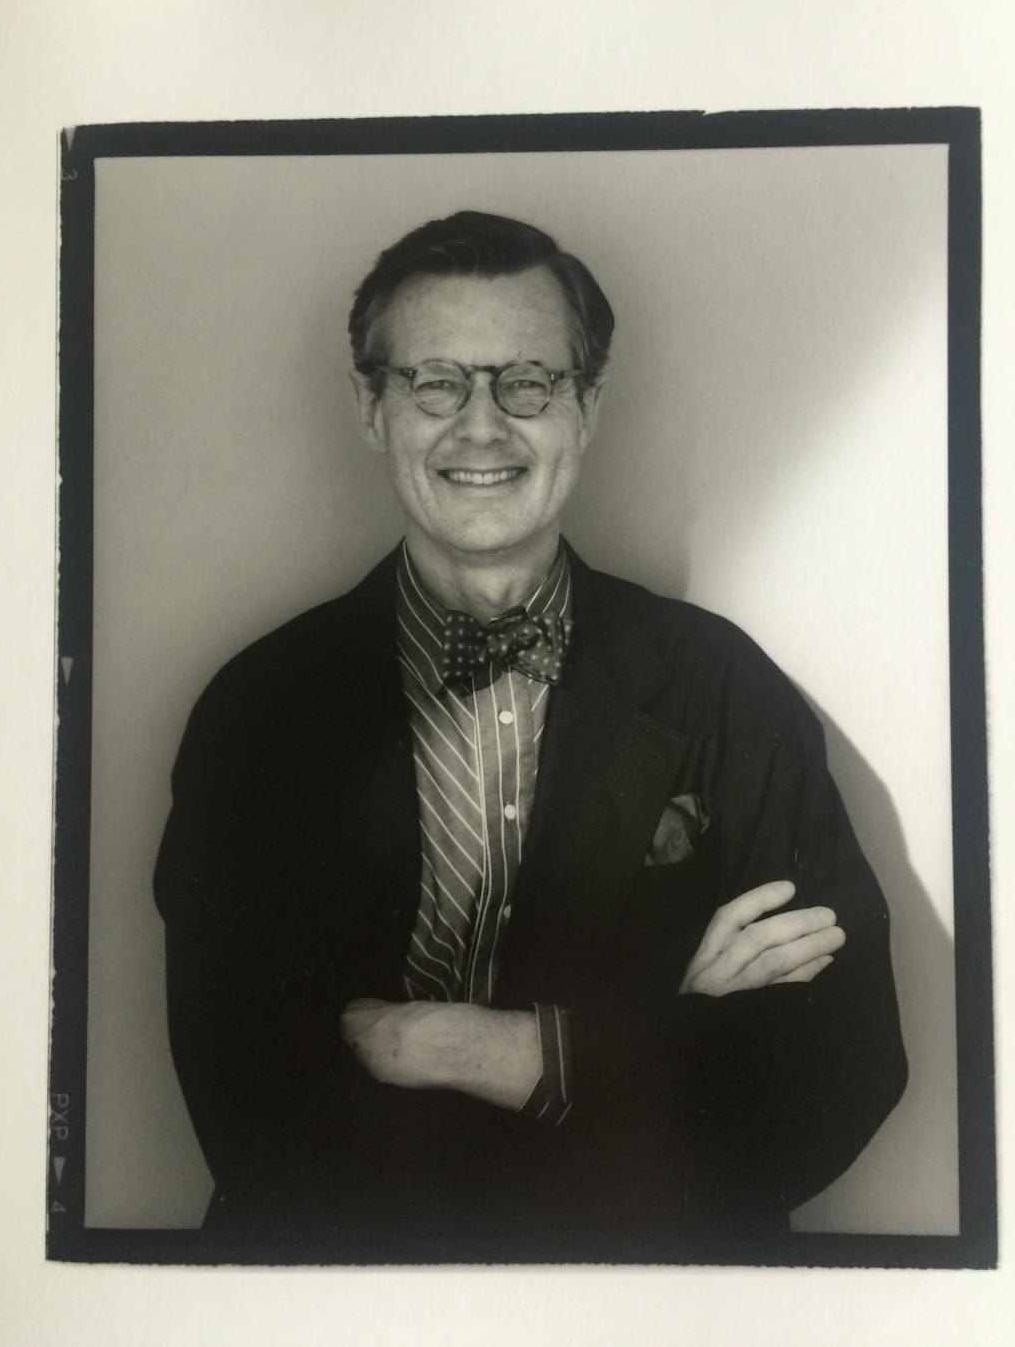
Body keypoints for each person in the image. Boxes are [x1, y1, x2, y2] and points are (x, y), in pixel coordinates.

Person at [154, 210, 907, 1263]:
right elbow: (257, 1116)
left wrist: (453, 1044)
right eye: (435, 383)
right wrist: (661, 1032)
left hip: (653, 1302)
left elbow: (837, 1072)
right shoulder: (258, 711)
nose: (482, 428)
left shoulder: (724, 686)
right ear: (371, 408)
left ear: (585, 408)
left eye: (527, 383)